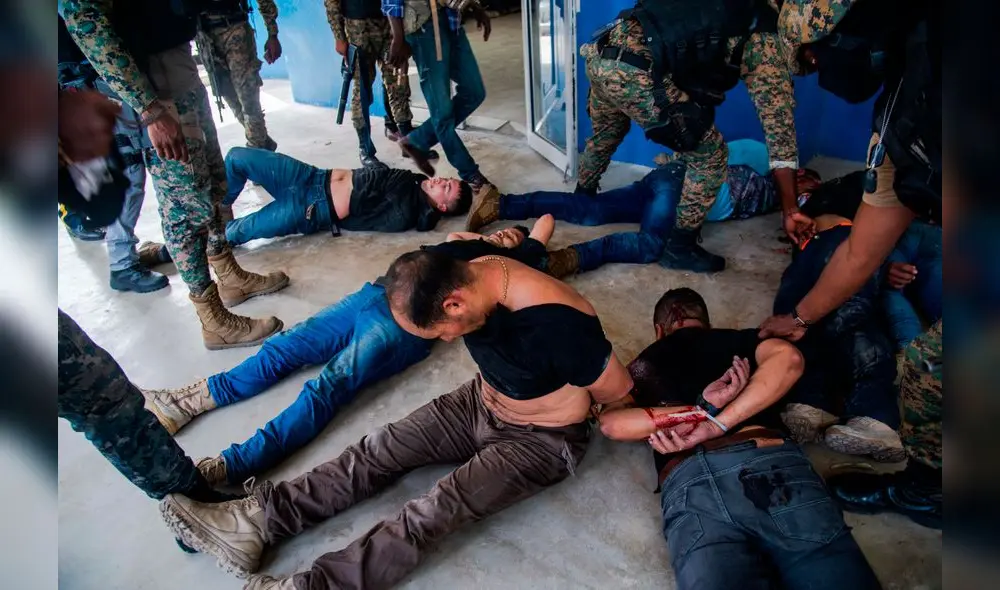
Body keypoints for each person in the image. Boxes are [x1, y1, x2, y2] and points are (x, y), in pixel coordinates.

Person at [159, 247, 633, 588]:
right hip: (479, 400)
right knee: (377, 449)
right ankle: (258, 522)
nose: (448, 341)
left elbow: (618, 389)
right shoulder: (464, 264)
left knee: (432, 509)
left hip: (540, 439)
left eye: (440, 331)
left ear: (454, 305)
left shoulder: (560, 322)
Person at [140, 215, 642, 487]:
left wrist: (528, 236)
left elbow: (547, 223)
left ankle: (234, 465)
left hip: (401, 331)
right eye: (504, 232)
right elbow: (452, 243)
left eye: (512, 236)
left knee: (323, 390)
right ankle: (191, 399)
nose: (505, 235)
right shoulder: (466, 253)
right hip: (378, 292)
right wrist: (476, 232)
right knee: (283, 350)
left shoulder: (518, 267)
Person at [763, 4, 941, 527]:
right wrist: (799, 315)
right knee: (872, 307)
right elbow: (863, 252)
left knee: (918, 357)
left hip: (888, 242)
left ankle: (887, 434)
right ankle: (841, 403)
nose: (814, 67)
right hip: (878, 243)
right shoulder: (907, 100)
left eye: (814, 56)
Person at [598, 288, 882, 590]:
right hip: (773, 467)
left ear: (658, 330)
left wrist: (699, 412)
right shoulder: (742, 341)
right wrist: (716, 419)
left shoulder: (643, 365)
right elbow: (789, 360)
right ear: (706, 322)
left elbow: (612, 424)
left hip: (691, 482)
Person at [63, 0, 291, 350]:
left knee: (214, 185)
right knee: (184, 204)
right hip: (151, 82)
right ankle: (212, 318)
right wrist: (149, 110)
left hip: (179, 65)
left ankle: (230, 277)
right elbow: (85, 21)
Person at [575, 1, 808, 273]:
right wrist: (791, 209)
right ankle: (680, 247)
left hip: (602, 52)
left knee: (606, 135)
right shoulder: (765, 36)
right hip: (636, 70)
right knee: (711, 155)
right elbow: (779, 129)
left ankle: (582, 197)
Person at [772, 208, 901, 462]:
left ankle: (815, 398)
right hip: (833, 245)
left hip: (841, 238)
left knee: (802, 314)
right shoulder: (812, 208)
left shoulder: (847, 198)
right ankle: (873, 414)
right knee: (848, 317)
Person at [58, 14, 169, 293]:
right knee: (128, 169)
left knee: (142, 164)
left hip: (111, 77)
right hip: (95, 79)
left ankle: (128, 257)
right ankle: (122, 264)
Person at [221, 147, 472, 245]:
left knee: (231, 234)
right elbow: (375, 176)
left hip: (311, 208)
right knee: (236, 158)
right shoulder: (413, 182)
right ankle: (220, 208)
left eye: (446, 188)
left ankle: (198, 237)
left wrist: (380, 175)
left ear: (441, 206)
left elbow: (370, 184)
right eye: (447, 179)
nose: (441, 180)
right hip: (310, 176)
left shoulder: (408, 211)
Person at [384, 0, 494, 191]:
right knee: (441, 111)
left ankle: (416, 140)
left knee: (474, 91)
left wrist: (474, 6)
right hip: (423, 28)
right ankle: (470, 173)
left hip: (451, 19)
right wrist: (398, 37)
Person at [324, 0, 433, 166]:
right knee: (362, 90)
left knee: (398, 82)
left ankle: (407, 140)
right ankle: (365, 149)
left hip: (389, 21)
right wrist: (339, 37)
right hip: (357, 26)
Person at [195, 0, 280, 151]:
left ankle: (257, 152)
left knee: (248, 99)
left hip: (235, 31)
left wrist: (272, 33)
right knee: (230, 97)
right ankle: (262, 144)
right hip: (206, 39)